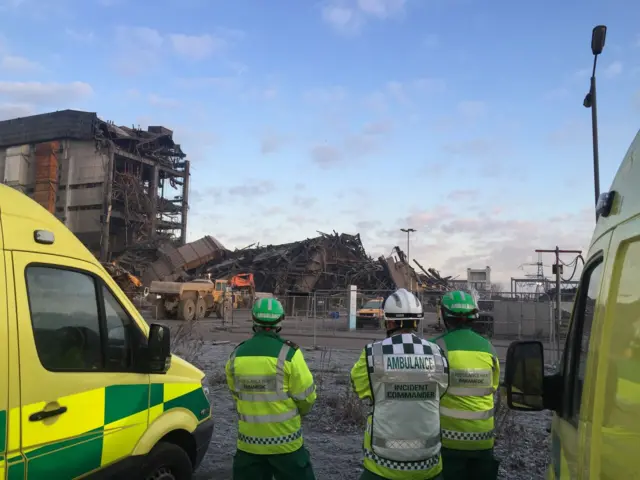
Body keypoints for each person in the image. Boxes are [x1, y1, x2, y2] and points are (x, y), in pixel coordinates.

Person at [350, 288, 449, 480]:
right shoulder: (437, 353)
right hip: (428, 463)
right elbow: (442, 391)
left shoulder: (373, 353)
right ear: (417, 320)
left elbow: (361, 390)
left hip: (382, 464)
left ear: (389, 320)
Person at [225, 297, 317, 480]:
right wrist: (301, 413)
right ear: (279, 321)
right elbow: (307, 397)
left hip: (248, 444)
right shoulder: (290, 354)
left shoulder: (236, 355)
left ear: (253, 320)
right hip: (286, 443)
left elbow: (236, 395)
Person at [431, 290, 501, 480]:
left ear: (445, 316)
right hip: (483, 441)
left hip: (448, 441)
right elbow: (493, 387)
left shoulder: (436, 348)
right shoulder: (489, 349)